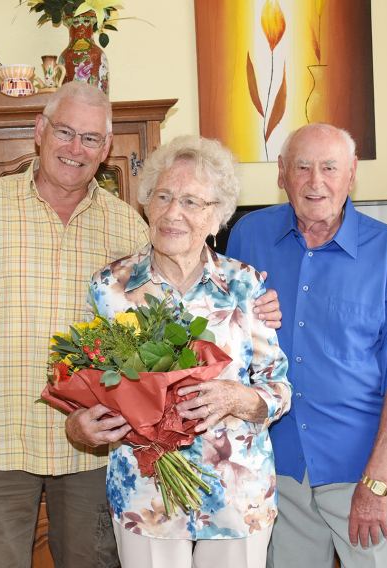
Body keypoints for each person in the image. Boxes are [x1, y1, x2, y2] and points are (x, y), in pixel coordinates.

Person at [0, 83, 282, 568]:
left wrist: (256, 306)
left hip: (94, 453)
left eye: (90, 138)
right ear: (39, 132)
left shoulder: (129, 226)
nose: (75, 148)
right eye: (64, 131)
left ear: (106, 150)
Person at [65, 135, 292, 568]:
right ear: (146, 203)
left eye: (191, 201)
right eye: (163, 196)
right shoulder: (109, 288)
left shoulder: (246, 286)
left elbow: (278, 389)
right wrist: (81, 426)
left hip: (235, 491)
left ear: (217, 217)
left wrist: (237, 398)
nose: (173, 213)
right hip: (145, 490)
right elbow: (86, 387)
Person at [226, 123, 387, 567]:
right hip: (277, 464)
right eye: (303, 167)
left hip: (361, 466)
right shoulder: (247, 236)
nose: (317, 181)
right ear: (281, 173)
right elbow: (224, 346)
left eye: (330, 167)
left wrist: (377, 480)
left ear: (351, 174)